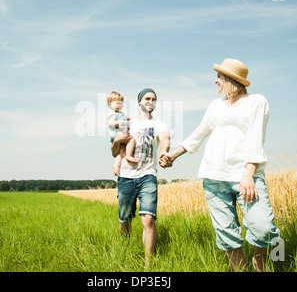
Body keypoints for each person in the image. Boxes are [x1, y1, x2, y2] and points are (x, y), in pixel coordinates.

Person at [160, 59, 281, 272]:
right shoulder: (216, 105)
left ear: (231, 79)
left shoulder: (256, 101)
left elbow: (256, 138)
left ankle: (259, 261)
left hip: (245, 177)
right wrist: (173, 155)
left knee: (263, 228)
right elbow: (199, 134)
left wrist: (249, 173)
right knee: (227, 234)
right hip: (214, 177)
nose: (215, 81)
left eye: (219, 77)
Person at [111, 88, 170, 264]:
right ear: (139, 102)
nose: (150, 102)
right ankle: (125, 248)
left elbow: (165, 139)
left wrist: (164, 152)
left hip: (148, 174)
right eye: (147, 98)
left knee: (149, 218)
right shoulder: (127, 124)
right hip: (126, 176)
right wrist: (116, 140)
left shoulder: (159, 124)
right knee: (124, 219)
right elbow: (115, 152)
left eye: (154, 99)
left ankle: (148, 263)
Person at [107, 91, 137, 176]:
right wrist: (116, 123)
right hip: (117, 134)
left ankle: (116, 164)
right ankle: (129, 155)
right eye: (117, 103)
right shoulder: (112, 113)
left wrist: (126, 120)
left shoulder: (121, 113)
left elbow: (123, 122)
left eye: (121, 103)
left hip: (120, 134)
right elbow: (110, 123)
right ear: (110, 104)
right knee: (132, 139)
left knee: (121, 151)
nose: (120, 105)